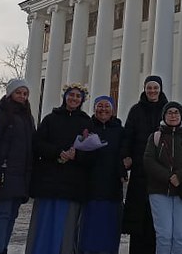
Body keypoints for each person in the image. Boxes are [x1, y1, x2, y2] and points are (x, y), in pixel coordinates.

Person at [26, 83, 94, 254]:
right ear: (65, 97)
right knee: (44, 223)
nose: (74, 99)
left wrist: (75, 155)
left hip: (72, 184)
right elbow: (38, 143)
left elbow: (92, 154)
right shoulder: (51, 119)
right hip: (49, 181)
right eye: (71, 95)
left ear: (82, 100)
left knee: (66, 226)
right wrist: (58, 152)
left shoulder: (86, 122)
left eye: (78, 96)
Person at [0, 78, 35, 254]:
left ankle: (3, 248)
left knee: (12, 214)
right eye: (18, 92)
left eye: (25, 93)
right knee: (4, 213)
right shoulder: (2, 115)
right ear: (10, 94)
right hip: (5, 172)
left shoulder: (27, 117)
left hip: (21, 174)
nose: (22, 96)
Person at [144, 101, 182, 254]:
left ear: (181, 116)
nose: (173, 115)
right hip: (159, 191)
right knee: (164, 235)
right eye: (170, 112)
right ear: (164, 116)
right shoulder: (156, 136)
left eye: (176, 112)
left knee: (181, 235)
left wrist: (180, 176)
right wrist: (169, 177)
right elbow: (148, 161)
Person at [122, 75, 169, 254]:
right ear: (144, 89)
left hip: (162, 171)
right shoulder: (136, 110)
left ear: (160, 89)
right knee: (139, 216)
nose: (152, 91)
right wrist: (126, 156)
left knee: (158, 216)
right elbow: (128, 136)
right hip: (141, 171)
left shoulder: (167, 109)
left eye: (155, 88)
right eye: (149, 88)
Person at [80, 95, 126, 254]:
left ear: (113, 110)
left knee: (110, 228)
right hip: (90, 186)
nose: (103, 109)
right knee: (90, 228)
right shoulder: (87, 128)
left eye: (107, 106)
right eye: (100, 106)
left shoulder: (120, 130)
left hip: (112, 187)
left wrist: (123, 169)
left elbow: (124, 154)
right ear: (94, 109)